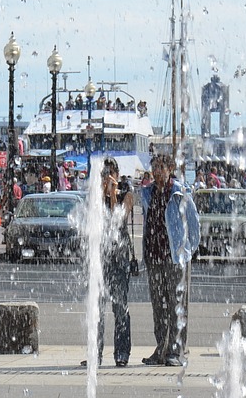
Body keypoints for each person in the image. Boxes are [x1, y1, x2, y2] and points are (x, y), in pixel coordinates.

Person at [140, 154, 200, 367]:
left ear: (170, 168)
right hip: (154, 257)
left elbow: (194, 226)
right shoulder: (148, 193)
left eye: (161, 168)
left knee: (176, 305)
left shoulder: (180, 193)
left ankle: (175, 351)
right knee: (159, 306)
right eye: (154, 168)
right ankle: (161, 348)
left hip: (175, 258)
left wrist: (186, 253)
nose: (157, 172)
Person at [82, 159, 134, 368]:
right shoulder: (95, 197)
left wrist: (113, 195)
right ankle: (95, 353)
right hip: (100, 259)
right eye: (104, 173)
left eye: (110, 173)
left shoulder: (126, 193)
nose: (106, 177)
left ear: (117, 173)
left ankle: (122, 352)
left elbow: (117, 222)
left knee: (120, 307)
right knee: (97, 308)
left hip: (119, 259)